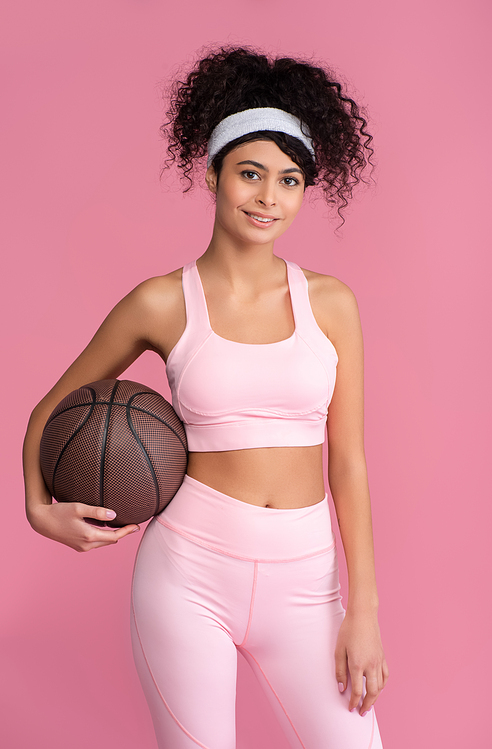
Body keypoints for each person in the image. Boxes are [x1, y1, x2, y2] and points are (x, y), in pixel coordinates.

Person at [23, 46, 389, 749]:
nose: (267, 197)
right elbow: (50, 411)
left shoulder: (332, 305)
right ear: (215, 172)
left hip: (308, 584)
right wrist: (41, 511)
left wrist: (363, 607)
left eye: (288, 180)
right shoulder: (162, 301)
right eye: (250, 173)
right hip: (188, 572)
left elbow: (349, 460)